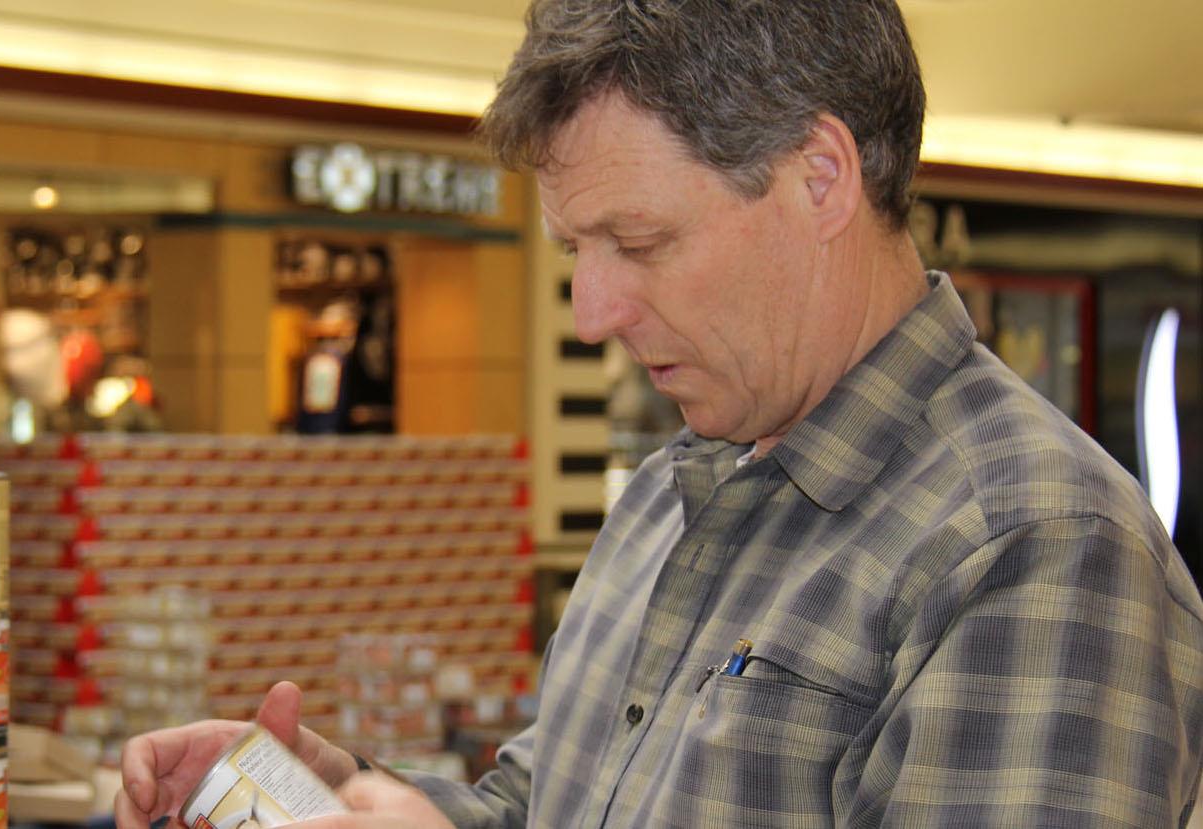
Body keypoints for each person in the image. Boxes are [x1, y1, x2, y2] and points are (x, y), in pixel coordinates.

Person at [117, 0, 1203, 825]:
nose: (592, 311)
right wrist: (343, 795)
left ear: (820, 177)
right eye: (574, 250)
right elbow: (556, 802)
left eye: (638, 243)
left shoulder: (1034, 549)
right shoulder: (667, 496)